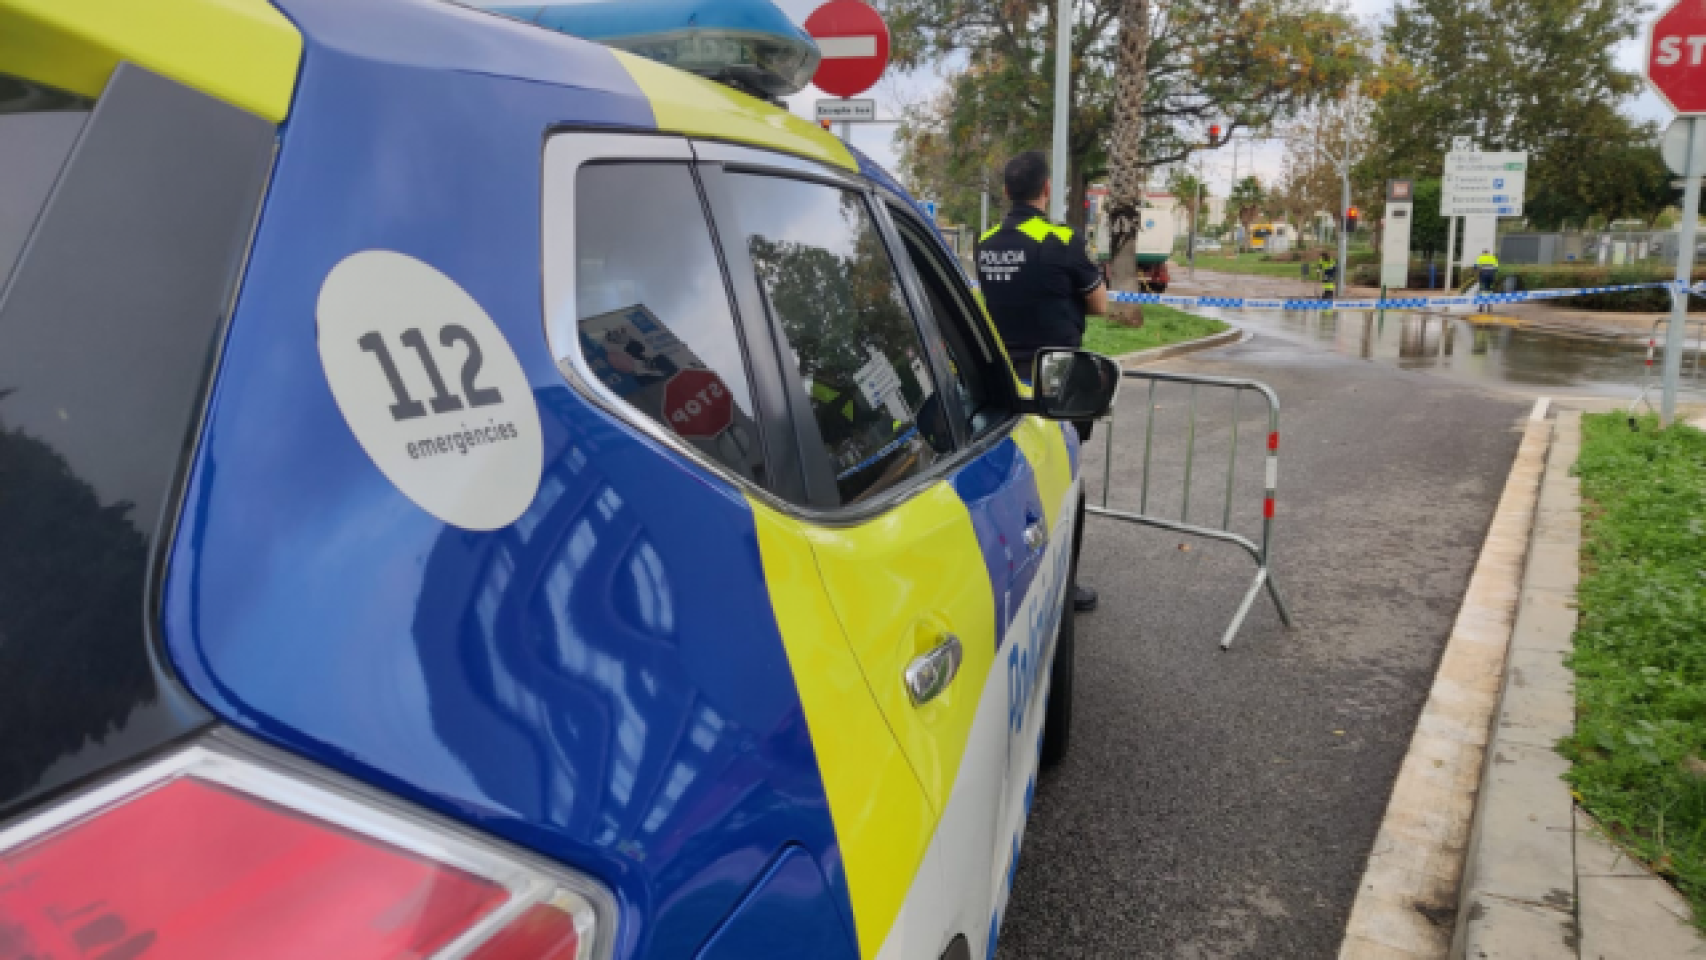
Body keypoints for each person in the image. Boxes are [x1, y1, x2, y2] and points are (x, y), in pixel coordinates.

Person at [976, 150, 1107, 612]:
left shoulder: (986, 241)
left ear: (1007, 191)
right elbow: (1101, 306)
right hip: (1055, 381)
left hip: (999, 382)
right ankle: (1061, 585)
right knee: (1062, 481)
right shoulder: (1062, 240)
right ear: (1045, 189)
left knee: (1012, 478)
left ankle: (1014, 572)